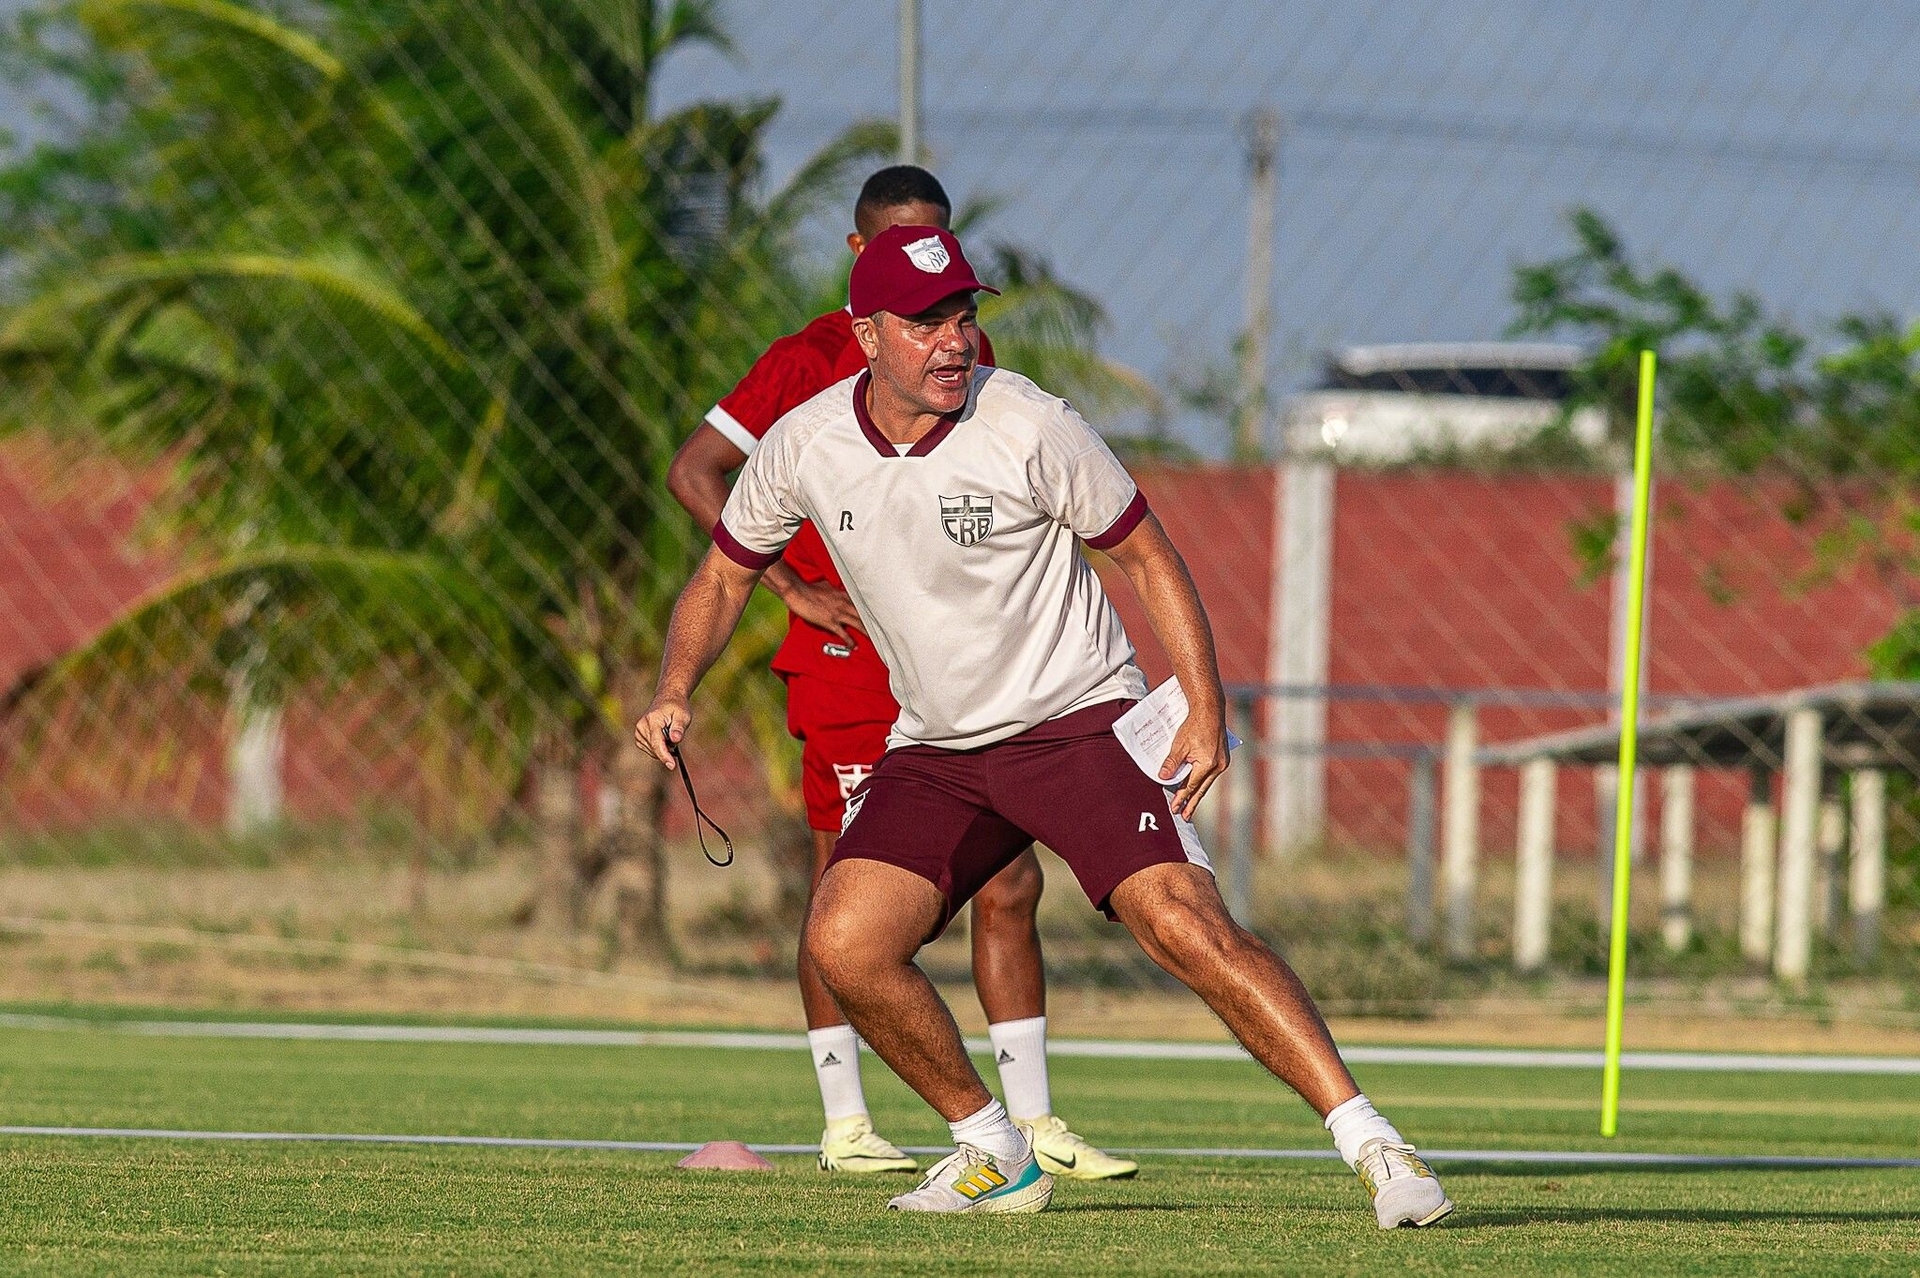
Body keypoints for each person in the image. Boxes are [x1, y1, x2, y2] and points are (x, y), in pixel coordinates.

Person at [637, 223, 1454, 1226]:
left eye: (963, 316)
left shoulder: (1027, 420)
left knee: (1180, 922)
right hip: (935, 748)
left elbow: (1146, 558)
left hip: (1076, 724)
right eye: (924, 321)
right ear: (863, 335)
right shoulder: (806, 443)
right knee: (844, 943)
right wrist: (675, 686)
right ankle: (993, 1150)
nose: (952, 341)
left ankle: (1374, 1143)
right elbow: (723, 576)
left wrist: (1202, 704)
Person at [665, 167, 1132, 1181]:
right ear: (858, 262)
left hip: (957, 675)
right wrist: (791, 589)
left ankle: (1035, 1120)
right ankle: (847, 1123)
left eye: (948, 263)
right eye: (906, 260)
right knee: (852, 893)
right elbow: (696, 472)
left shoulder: (966, 362)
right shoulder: (806, 366)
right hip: (844, 665)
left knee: (1012, 877)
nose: (943, 316)